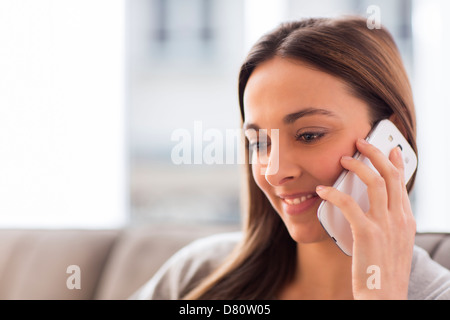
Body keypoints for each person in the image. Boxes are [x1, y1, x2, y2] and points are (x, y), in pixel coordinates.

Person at [133, 16, 450, 300]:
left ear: (390, 137)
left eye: (309, 135)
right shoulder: (198, 276)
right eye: (259, 143)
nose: (273, 172)